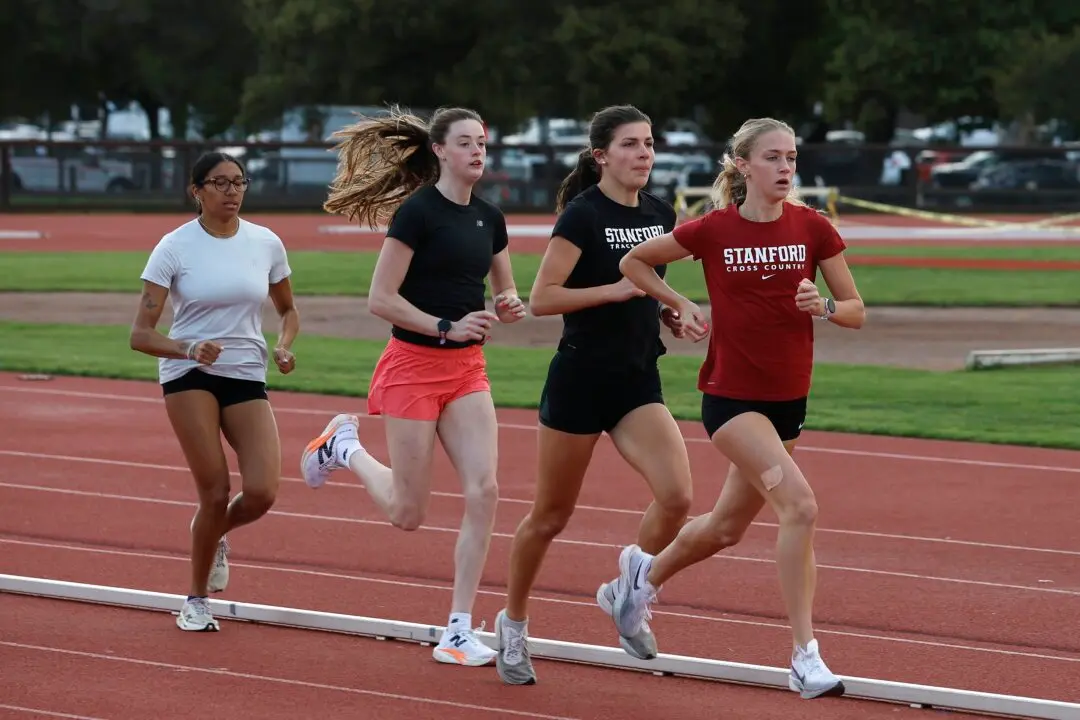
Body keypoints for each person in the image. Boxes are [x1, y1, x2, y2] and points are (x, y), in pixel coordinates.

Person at [607, 117, 866, 700]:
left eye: (792, 158)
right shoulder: (713, 230)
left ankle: (640, 580)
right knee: (799, 507)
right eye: (773, 158)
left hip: (788, 402)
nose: (785, 168)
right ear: (743, 165)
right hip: (731, 400)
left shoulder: (813, 228)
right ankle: (805, 657)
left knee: (725, 527)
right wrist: (679, 301)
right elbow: (633, 264)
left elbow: (855, 310)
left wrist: (821, 306)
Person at [298, 105, 527, 668]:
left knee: (486, 490)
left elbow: (503, 290)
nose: (478, 151)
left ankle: (457, 628)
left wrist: (509, 305)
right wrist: (445, 326)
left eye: (483, 143)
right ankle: (342, 447)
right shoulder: (417, 213)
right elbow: (381, 299)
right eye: (467, 143)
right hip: (413, 366)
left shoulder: (490, 218)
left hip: (466, 370)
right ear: (441, 151)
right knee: (408, 513)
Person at [492, 105, 702, 686]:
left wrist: (670, 312)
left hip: (637, 379)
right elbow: (543, 299)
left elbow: (655, 284)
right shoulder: (581, 218)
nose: (645, 154)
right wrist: (612, 290)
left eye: (650, 143)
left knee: (678, 496)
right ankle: (512, 624)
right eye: (631, 145)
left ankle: (625, 591)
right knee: (550, 515)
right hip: (581, 381)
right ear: (601, 156)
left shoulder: (661, 213)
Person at [130, 151, 300, 633]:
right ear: (196, 191)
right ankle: (196, 600)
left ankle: (214, 533)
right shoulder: (173, 247)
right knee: (216, 490)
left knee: (263, 492)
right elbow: (141, 334)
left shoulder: (266, 242)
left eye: (239, 182)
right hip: (189, 375)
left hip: (246, 370)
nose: (231, 191)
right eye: (219, 183)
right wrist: (186, 348)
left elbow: (288, 311)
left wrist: (284, 347)